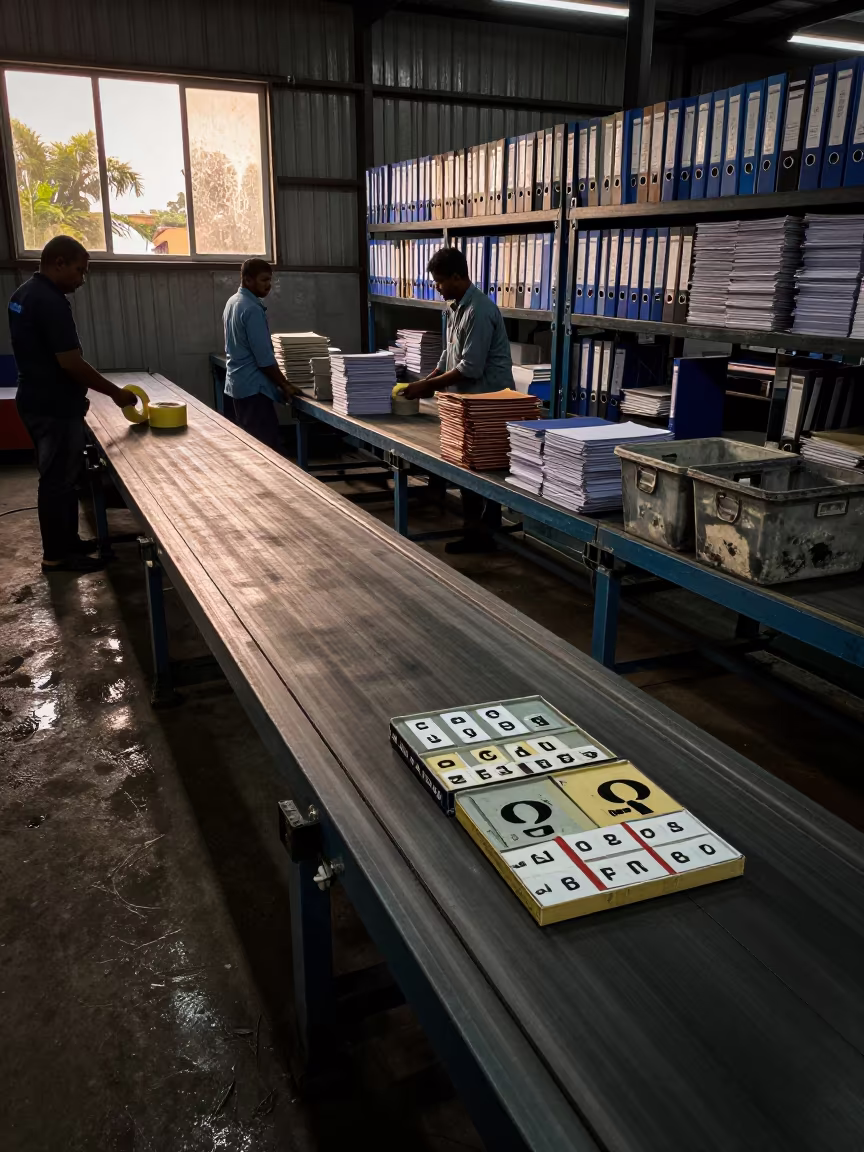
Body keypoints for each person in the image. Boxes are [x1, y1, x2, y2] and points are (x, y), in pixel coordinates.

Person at [9, 235, 138, 574]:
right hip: (52, 407)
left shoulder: (22, 295)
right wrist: (115, 392)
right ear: (59, 263)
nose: (82, 280)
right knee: (57, 481)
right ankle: (57, 556)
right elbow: (69, 361)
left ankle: (67, 543)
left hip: (36, 398)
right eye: (80, 271)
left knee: (60, 479)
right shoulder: (50, 301)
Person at [404, 245, 514, 554]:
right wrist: (425, 382)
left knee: (482, 471)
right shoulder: (456, 307)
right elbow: (448, 356)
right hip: (468, 402)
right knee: (467, 468)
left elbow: (469, 368)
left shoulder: (478, 310)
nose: (436, 287)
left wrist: (431, 388)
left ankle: (484, 535)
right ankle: (477, 530)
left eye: (439, 281)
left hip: (487, 402)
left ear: (456, 276)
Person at [222, 258, 300, 450]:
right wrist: (285, 384)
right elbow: (263, 358)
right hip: (253, 390)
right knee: (266, 449)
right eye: (264, 280)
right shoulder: (251, 309)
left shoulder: (233, 302)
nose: (269, 285)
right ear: (248, 280)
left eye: (270, 280)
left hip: (237, 384)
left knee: (250, 447)